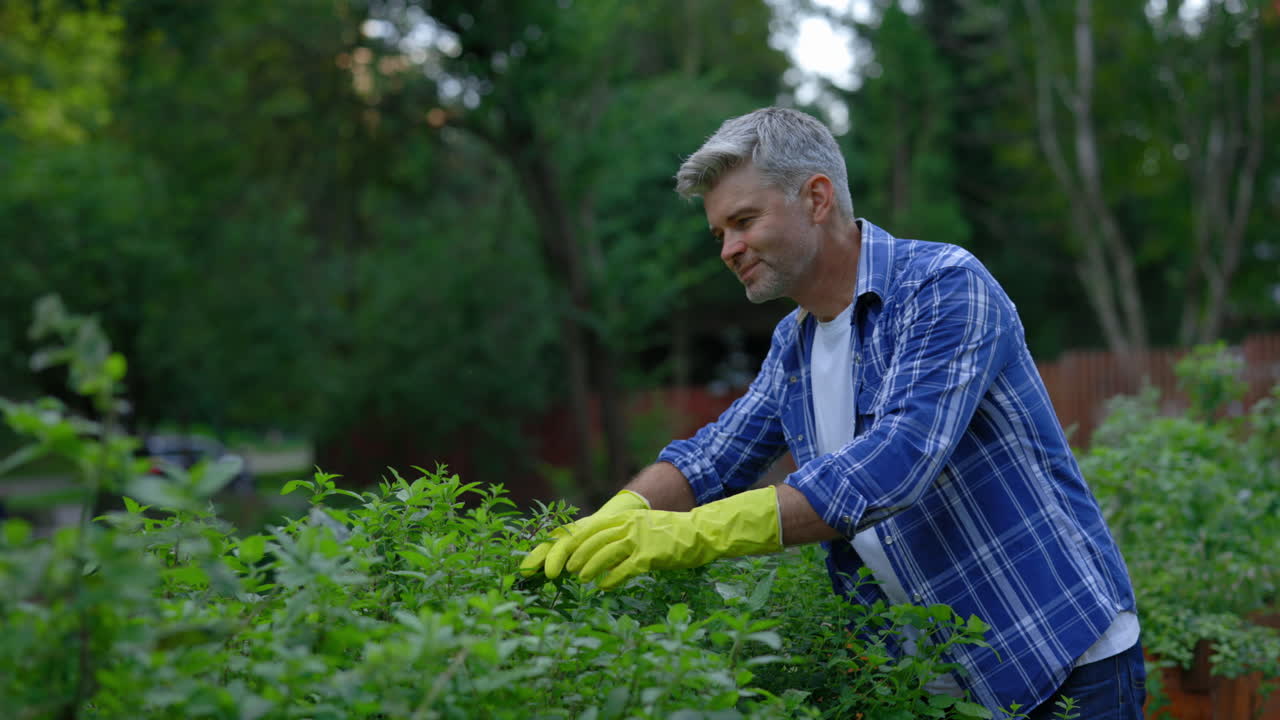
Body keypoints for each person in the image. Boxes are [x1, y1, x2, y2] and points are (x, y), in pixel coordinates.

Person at [520, 107, 1144, 718]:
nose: (728, 249)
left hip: (1060, 659)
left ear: (816, 198)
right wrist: (615, 519)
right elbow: (715, 456)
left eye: (743, 220)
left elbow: (894, 464)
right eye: (719, 234)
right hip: (930, 686)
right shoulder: (797, 342)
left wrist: (692, 534)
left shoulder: (944, 286)